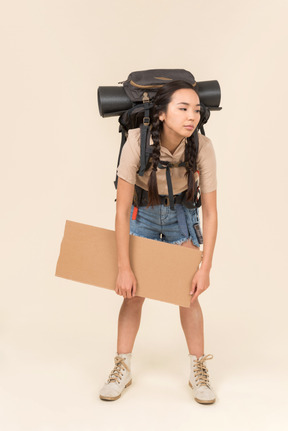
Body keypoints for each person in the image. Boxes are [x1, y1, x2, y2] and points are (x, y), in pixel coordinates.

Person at [99, 80, 218, 404]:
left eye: (196, 109)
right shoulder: (137, 142)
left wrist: (205, 267)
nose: (191, 116)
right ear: (162, 114)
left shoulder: (202, 147)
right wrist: (124, 268)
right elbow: (122, 210)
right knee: (134, 294)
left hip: (181, 214)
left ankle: (199, 369)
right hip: (143, 213)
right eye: (182, 109)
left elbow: (210, 212)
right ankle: (122, 366)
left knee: (188, 294)